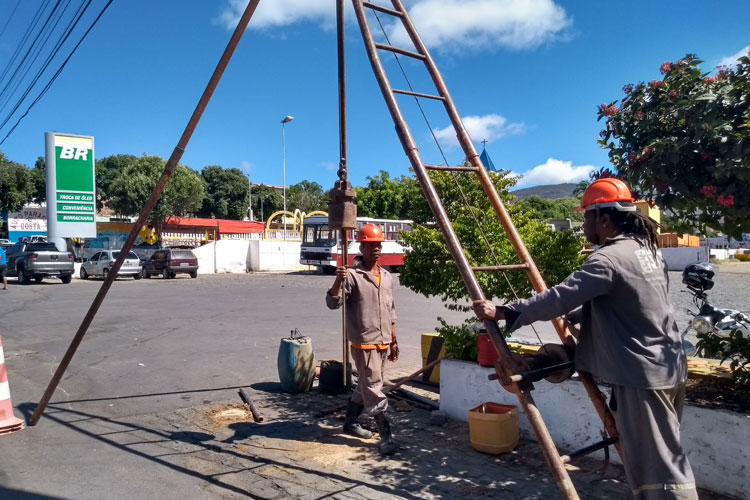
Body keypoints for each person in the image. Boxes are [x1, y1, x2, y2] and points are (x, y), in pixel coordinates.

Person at [473, 178, 697, 500]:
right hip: (670, 367)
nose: (582, 226)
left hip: (642, 377)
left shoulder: (608, 259)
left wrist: (506, 311)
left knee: (660, 474)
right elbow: (636, 303)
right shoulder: (648, 252)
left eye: (585, 218)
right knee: (666, 455)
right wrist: (583, 318)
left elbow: (558, 298)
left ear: (603, 218)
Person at [326, 223, 399, 455]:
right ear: (361, 246)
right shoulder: (352, 276)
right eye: (370, 245)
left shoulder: (387, 277)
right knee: (374, 388)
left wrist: (394, 341)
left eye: (378, 245)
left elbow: (391, 310)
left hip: (383, 341)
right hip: (364, 342)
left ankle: (350, 422)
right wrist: (338, 280)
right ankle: (386, 435)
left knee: (366, 385)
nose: (375, 249)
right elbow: (332, 303)